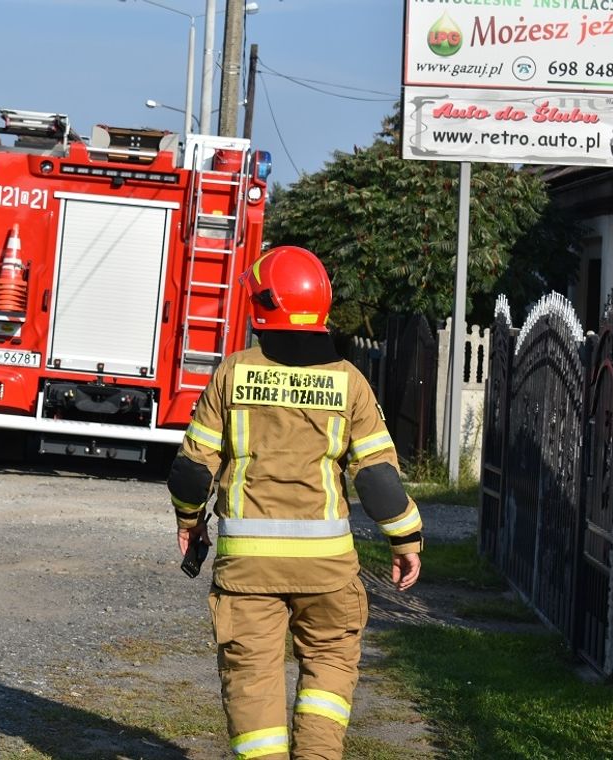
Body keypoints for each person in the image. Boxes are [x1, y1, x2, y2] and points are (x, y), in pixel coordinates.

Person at [167, 245, 422, 760]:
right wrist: (405, 539)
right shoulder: (350, 380)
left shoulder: (232, 373)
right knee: (329, 669)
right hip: (327, 569)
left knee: (252, 679)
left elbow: (193, 471)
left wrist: (190, 524)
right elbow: (377, 480)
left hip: (248, 570)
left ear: (263, 305)